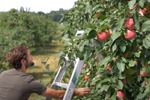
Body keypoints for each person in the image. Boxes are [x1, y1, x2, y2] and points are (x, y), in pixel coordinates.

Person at [0, 46, 91, 100]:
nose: (31, 57)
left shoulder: (3, 74)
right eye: (29, 56)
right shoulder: (28, 81)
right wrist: (77, 92)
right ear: (23, 61)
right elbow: (58, 95)